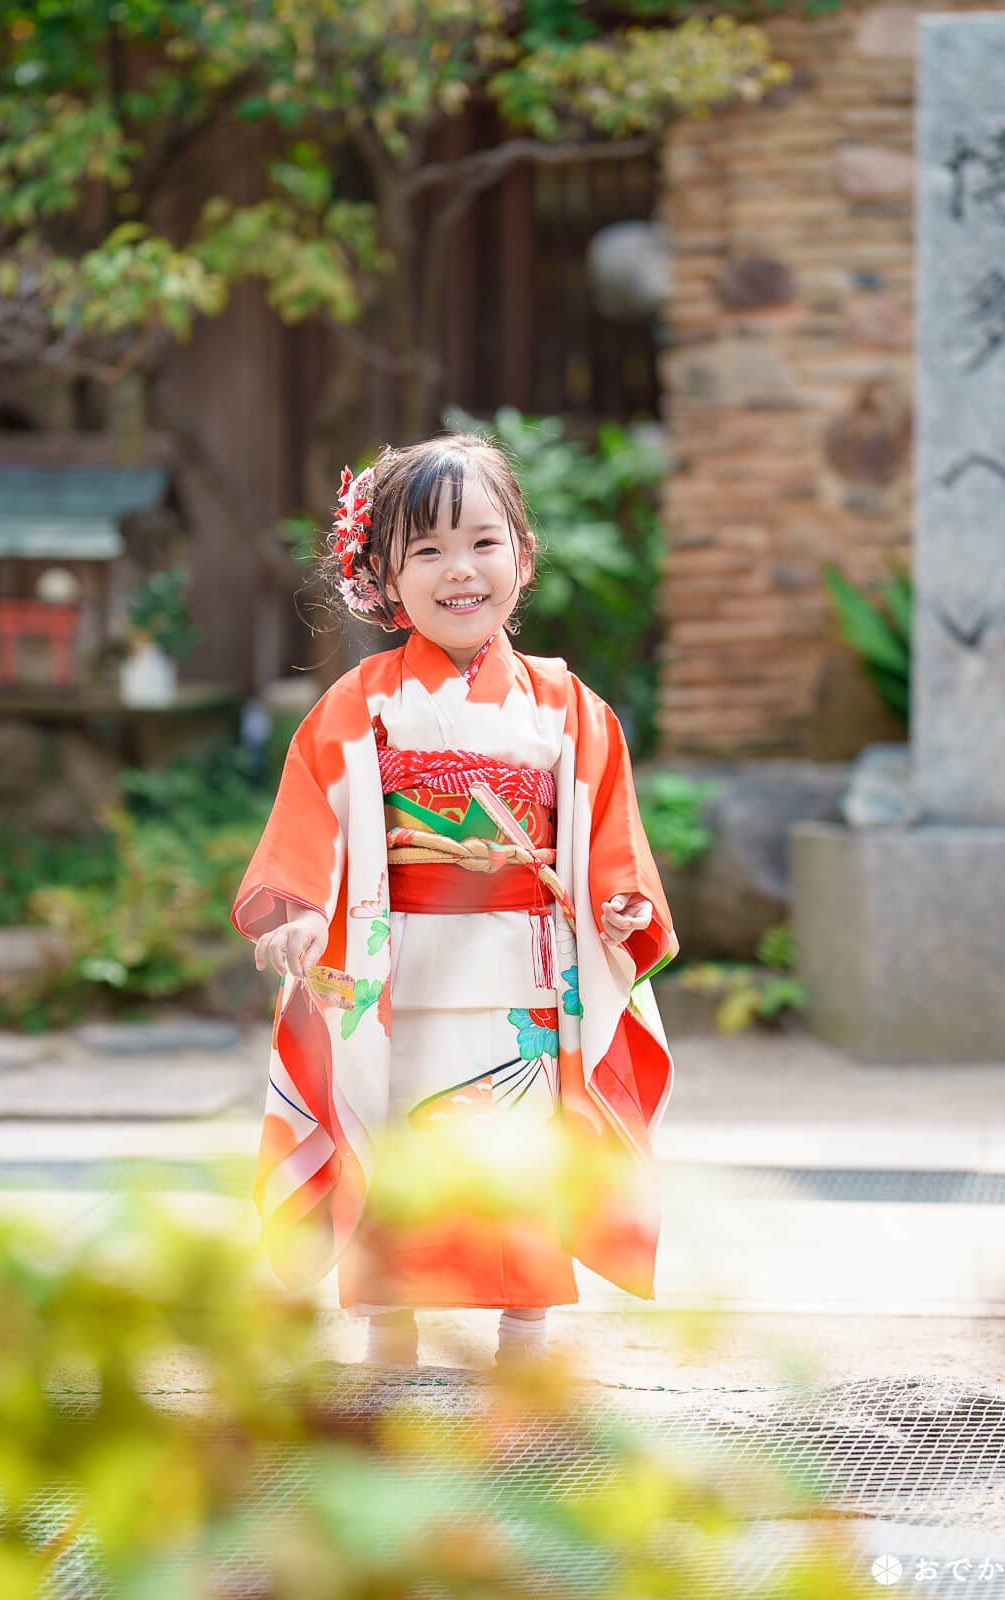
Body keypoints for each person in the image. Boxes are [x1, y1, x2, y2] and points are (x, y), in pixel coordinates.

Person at [231, 432, 678, 1369]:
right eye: (425, 550)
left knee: (520, 1152)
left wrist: (621, 901)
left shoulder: (564, 703)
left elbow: (607, 830)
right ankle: (390, 1328)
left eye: (481, 541)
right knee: (397, 1148)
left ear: (522, 554)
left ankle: (524, 1328)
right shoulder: (361, 701)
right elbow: (314, 816)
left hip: (526, 966)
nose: (458, 569)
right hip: (400, 969)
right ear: (384, 578)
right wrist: (303, 908)